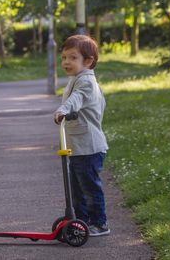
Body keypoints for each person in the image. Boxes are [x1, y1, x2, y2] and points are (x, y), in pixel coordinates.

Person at [53, 34, 110, 237]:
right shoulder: (75, 79)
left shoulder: (86, 83)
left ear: (88, 61)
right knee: (76, 188)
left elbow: (77, 100)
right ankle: (81, 221)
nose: (66, 62)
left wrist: (63, 110)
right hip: (79, 147)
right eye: (64, 57)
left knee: (88, 188)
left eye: (72, 57)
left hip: (89, 147)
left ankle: (99, 223)